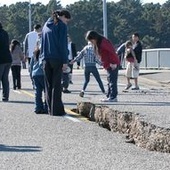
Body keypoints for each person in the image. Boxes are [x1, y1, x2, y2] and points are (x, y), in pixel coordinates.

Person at [41, 9, 71, 116]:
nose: (66, 23)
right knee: (56, 85)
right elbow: (62, 44)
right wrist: (65, 60)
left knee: (48, 86)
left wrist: (42, 58)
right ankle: (57, 110)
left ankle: (50, 109)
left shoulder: (46, 25)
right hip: (57, 58)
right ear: (62, 16)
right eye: (66, 20)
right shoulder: (61, 26)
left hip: (46, 58)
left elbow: (42, 43)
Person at [85, 30, 120, 102]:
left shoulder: (103, 42)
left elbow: (111, 52)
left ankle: (113, 97)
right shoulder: (99, 42)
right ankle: (110, 96)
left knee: (112, 80)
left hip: (112, 63)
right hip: (108, 63)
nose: (91, 42)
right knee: (109, 80)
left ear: (94, 38)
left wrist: (113, 63)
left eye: (91, 41)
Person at [29, 32, 47, 114]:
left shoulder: (34, 53)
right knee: (46, 91)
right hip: (43, 74)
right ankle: (47, 107)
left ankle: (38, 107)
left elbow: (31, 66)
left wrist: (31, 76)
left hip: (35, 74)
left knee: (38, 92)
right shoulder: (45, 53)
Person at [0, 22, 12, 102]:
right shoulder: (5, 33)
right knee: (5, 79)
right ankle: (5, 96)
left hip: (1, 59)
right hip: (8, 58)